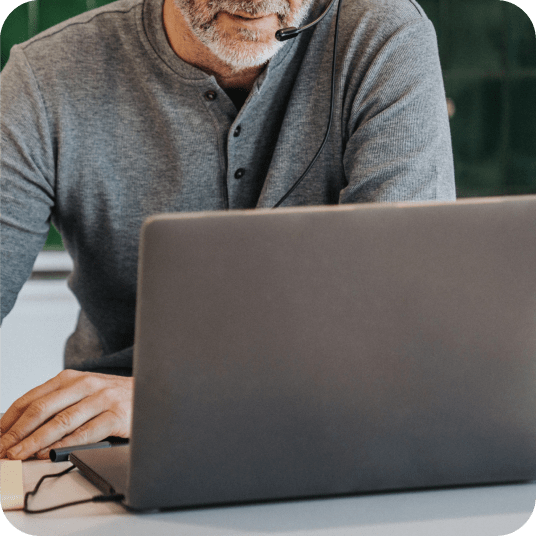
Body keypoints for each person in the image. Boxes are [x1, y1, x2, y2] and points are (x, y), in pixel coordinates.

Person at [0, 0, 455, 460]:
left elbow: (401, 336)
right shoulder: (43, 78)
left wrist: (169, 402)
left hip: (337, 424)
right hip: (118, 441)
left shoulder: (384, 35)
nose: (260, 3)